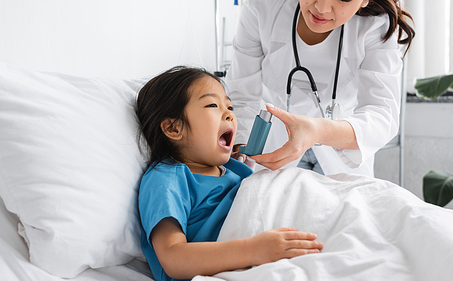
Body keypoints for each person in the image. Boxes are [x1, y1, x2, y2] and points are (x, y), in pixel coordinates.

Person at [226, 0, 415, 177]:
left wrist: (318, 131)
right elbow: (242, 95)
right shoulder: (263, 5)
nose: (321, 8)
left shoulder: (376, 25)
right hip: (272, 151)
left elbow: (382, 115)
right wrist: (240, 152)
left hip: (342, 154)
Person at [135, 66, 323, 281]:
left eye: (230, 106)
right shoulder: (166, 179)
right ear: (174, 128)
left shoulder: (231, 169)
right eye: (213, 105)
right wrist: (253, 249)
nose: (230, 114)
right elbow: (173, 258)